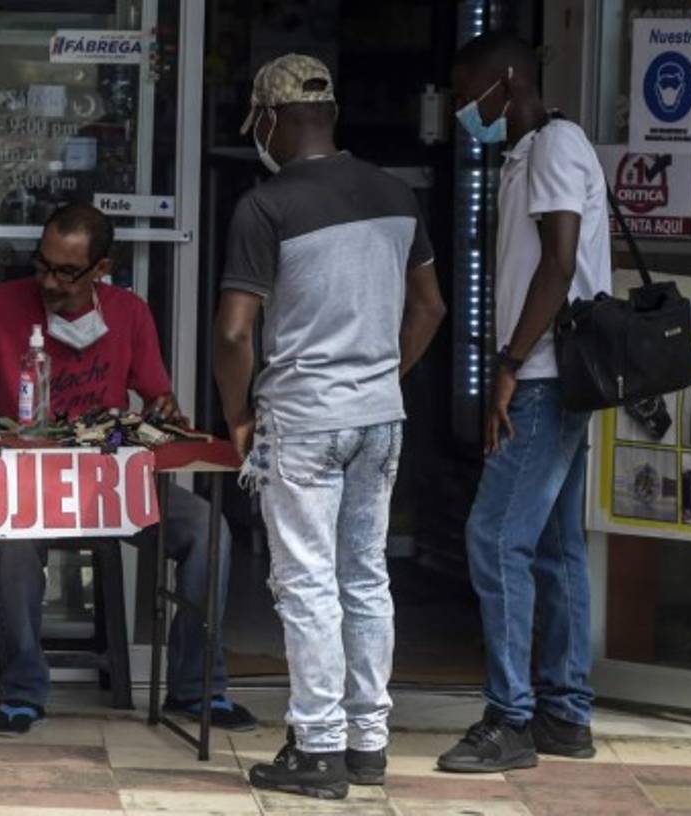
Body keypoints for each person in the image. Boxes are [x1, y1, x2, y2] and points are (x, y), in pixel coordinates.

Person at [0, 203, 256, 737]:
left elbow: (160, 397)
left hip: (112, 484)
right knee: (14, 544)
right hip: (34, 487)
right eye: (42, 265)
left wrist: (164, 411)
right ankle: (22, 691)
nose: (49, 281)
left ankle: (197, 688)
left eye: (67, 272)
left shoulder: (128, 313)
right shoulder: (1, 305)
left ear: (101, 269)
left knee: (210, 532)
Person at [213, 54, 445, 799]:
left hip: (305, 417)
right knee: (365, 576)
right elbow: (430, 307)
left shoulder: (265, 205)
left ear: (270, 120)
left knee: (306, 582)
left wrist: (238, 413)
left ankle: (317, 748)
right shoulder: (395, 193)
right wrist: (383, 376)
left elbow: (233, 334)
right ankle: (367, 741)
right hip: (379, 417)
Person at [438, 32, 610, 773]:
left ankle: (510, 718)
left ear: (506, 82)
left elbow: (560, 261)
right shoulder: (525, 155)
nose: (460, 111)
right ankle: (564, 714)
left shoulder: (553, 148)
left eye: (466, 94)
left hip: (542, 375)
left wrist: (509, 366)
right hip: (548, 373)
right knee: (553, 545)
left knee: (494, 537)